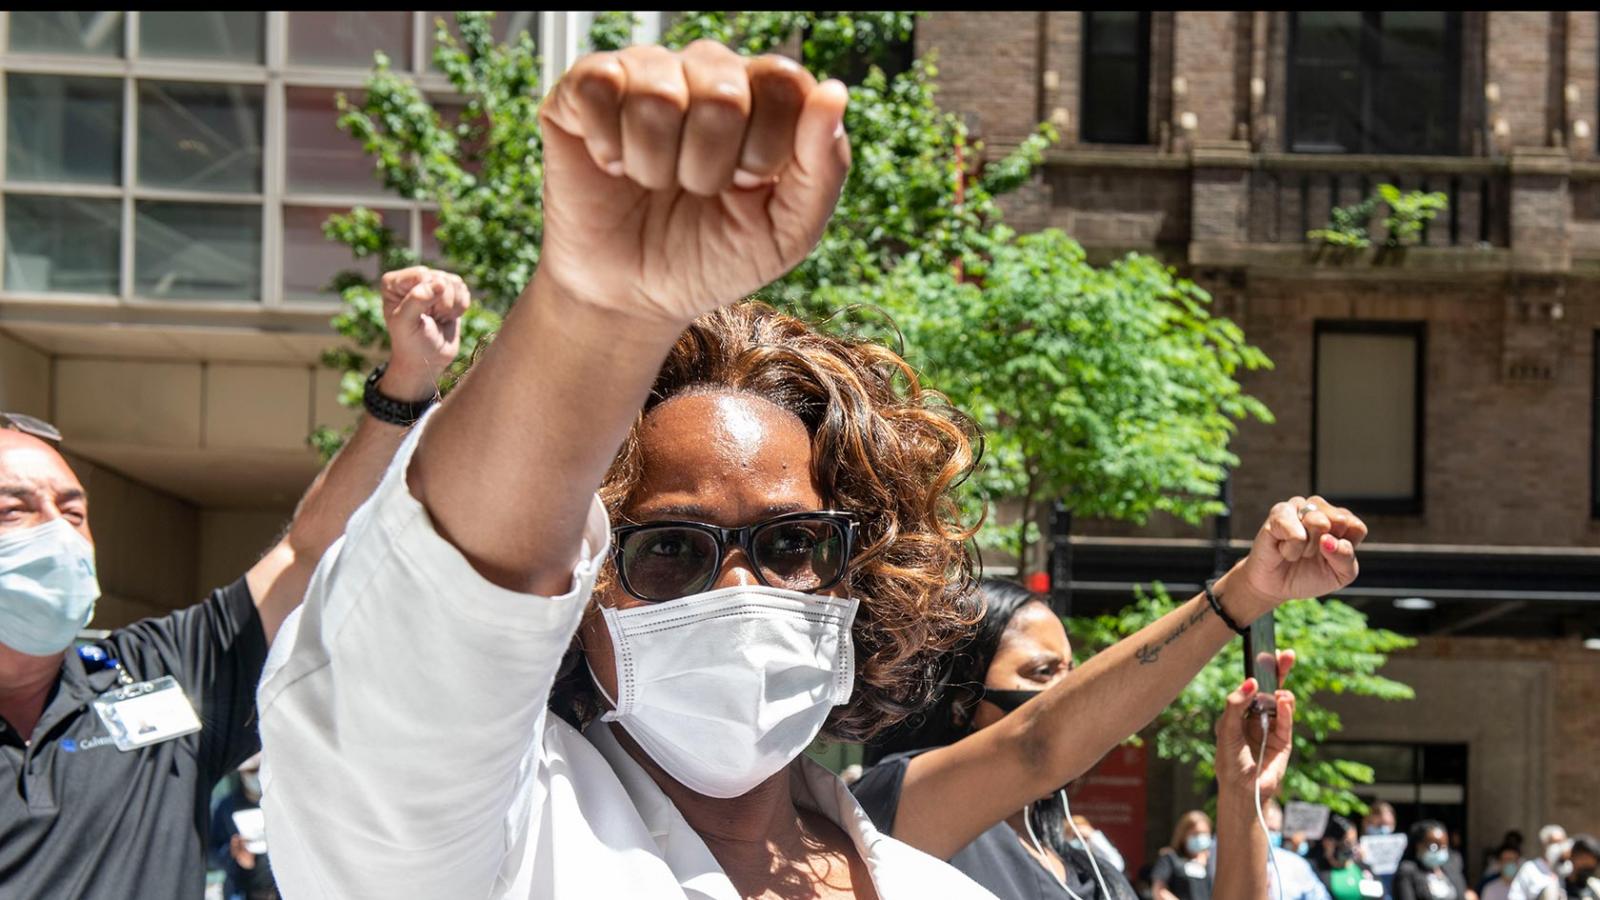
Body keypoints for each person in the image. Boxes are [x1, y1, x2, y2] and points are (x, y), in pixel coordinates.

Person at [257, 39, 1366, 900]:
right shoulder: (486, 850)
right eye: (671, 553)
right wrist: (597, 309)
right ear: (580, 595)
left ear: (857, 573)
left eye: (790, 543)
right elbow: (422, 652)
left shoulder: (932, 882)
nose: (739, 593)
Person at [0, 265, 470, 898]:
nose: (59, 534)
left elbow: (305, 554)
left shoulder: (154, 671)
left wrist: (405, 383)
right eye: (15, 510)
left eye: (74, 510)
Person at [853, 578, 1303, 900]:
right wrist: (1240, 595)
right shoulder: (895, 808)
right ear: (958, 700)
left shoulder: (1088, 869)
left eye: (1072, 674)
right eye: (1043, 673)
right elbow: (1038, 743)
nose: (1066, 693)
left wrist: (1246, 795)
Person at [210, 754, 280, 900]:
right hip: (244, 892)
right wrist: (233, 854)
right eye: (251, 771)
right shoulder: (227, 807)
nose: (256, 776)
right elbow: (211, 855)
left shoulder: (281, 804)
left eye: (259, 769)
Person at [1260, 798, 1333, 900]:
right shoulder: (1234, 863)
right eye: (1268, 829)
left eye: (1275, 830)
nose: (1271, 835)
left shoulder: (1296, 864)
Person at [1395, 821, 1470, 900]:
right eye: (1434, 846)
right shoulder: (1407, 871)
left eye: (1444, 846)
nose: (1440, 851)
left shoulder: (1452, 867)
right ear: (1418, 845)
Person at [1316, 815, 1384, 900]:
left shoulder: (1364, 868)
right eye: (1347, 843)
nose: (1352, 848)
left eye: (1354, 842)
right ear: (1327, 843)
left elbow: (1380, 896)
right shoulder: (1317, 872)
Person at [1152, 811, 1215, 900]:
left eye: (1205, 833)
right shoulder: (1170, 858)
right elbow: (1159, 890)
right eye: (1195, 833)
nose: (1201, 837)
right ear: (1183, 834)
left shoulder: (1212, 862)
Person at [1510, 825, 1570, 900]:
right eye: (1554, 843)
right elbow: (1515, 896)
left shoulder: (1568, 868)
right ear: (1544, 845)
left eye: (1561, 843)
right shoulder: (1529, 869)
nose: (1559, 847)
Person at [1566, 835, 1600, 900]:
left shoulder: (1597, 888)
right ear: (1572, 857)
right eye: (1584, 865)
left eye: (1590, 868)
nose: (1586, 872)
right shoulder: (1555, 889)